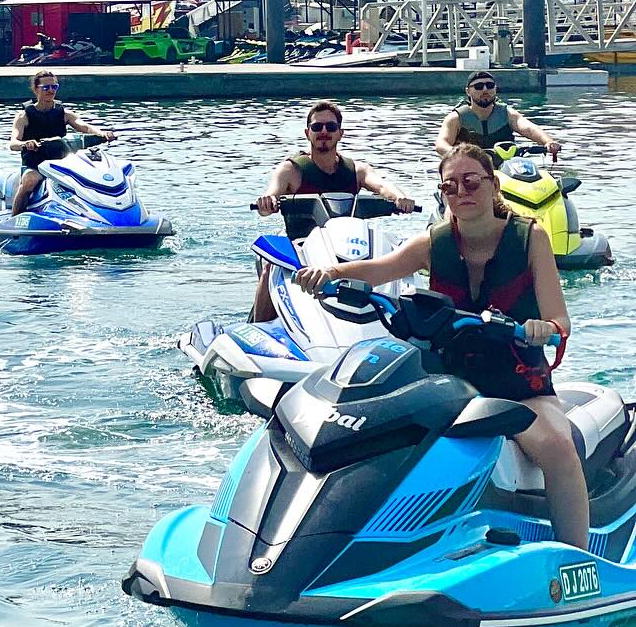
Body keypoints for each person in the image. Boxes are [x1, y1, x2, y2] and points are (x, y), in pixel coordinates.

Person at [295, 143, 586, 549]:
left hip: (518, 384)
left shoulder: (529, 238)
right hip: (447, 383)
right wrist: (327, 272)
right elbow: (381, 269)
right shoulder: (435, 242)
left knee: (557, 447)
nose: (461, 192)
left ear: (492, 186)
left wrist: (542, 327)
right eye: (450, 186)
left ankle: (578, 557)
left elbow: (561, 319)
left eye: (471, 182)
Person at [250, 101, 415, 321]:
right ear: (307, 133)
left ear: (340, 133)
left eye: (331, 127)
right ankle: (257, 324)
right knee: (274, 264)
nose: (324, 132)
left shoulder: (356, 170)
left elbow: (383, 186)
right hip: (301, 246)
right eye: (317, 127)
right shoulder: (291, 169)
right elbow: (272, 192)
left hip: (348, 246)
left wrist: (399, 197)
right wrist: (267, 202)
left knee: (397, 253)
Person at [7, 70, 115, 217]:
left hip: (61, 163)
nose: (51, 91)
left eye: (54, 87)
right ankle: (15, 220)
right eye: (46, 87)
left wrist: (102, 133)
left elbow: (85, 126)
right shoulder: (24, 116)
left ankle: (100, 214)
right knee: (29, 182)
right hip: (35, 164)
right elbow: (13, 142)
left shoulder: (64, 113)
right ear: (36, 89)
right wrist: (26, 144)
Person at [436, 71, 560, 161]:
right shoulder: (456, 118)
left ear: (495, 89)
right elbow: (441, 144)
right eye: (478, 87)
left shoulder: (507, 113)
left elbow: (529, 128)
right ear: (468, 91)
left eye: (489, 86)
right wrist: (459, 154)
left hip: (506, 166)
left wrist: (548, 142)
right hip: (469, 169)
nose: (485, 90)